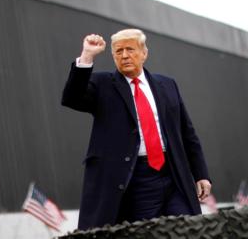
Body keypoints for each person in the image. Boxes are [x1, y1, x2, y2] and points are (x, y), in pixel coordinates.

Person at [61, 29, 212, 230]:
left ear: (144, 53)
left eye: (130, 49)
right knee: (147, 232)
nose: (124, 56)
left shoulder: (167, 84)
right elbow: (72, 98)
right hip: (135, 179)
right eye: (118, 51)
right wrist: (87, 55)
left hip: (173, 174)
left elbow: (187, 132)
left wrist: (201, 173)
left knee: (187, 229)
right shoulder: (103, 84)